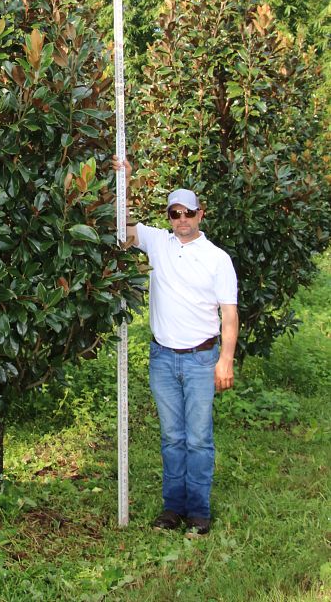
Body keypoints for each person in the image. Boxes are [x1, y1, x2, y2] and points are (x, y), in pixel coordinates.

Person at [113, 157, 238, 535]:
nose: (181, 219)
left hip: (202, 359)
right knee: (171, 437)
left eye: (188, 213)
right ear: (169, 216)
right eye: (174, 213)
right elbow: (122, 229)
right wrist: (127, 181)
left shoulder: (218, 259)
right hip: (162, 359)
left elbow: (229, 316)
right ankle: (172, 510)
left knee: (198, 439)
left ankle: (198, 513)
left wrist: (225, 361)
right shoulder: (158, 242)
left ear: (201, 214)